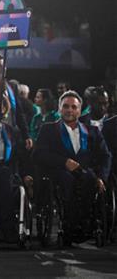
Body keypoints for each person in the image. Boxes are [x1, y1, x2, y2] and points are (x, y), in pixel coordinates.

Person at [33, 91, 111, 242]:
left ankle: (84, 226)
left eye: (74, 107)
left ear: (79, 110)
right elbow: (38, 155)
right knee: (67, 180)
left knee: (90, 179)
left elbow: (106, 156)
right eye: (66, 106)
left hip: (86, 174)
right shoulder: (48, 129)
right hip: (59, 174)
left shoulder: (92, 131)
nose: (70, 110)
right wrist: (64, 162)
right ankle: (70, 226)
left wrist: (102, 177)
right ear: (59, 109)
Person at [0, 99, 33, 243]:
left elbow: (22, 158)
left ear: (4, 109)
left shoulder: (12, 131)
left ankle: (9, 228)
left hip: (6, 174)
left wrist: (27, 175)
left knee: (3, 173)